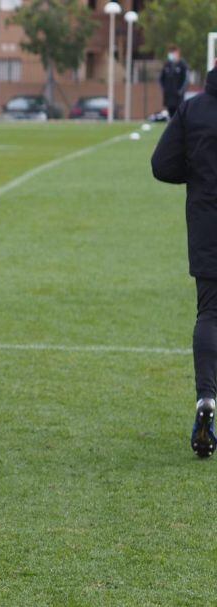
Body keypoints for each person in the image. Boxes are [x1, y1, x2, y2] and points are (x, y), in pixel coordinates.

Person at [151, 63, 217, 459]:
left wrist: (197, 176)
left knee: (209, 312)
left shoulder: (193, 109)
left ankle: (207, 397)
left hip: (207, 221)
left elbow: (162, 164)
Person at [160, 45, 190, 119]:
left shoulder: (182, 65)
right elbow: (161, 78)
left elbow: (186, 79)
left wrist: (181, 91)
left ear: (177, 53)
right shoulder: (167, 65)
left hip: (178, 96)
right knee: (170, 113)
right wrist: (164, 89)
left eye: (173, 53)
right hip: (168, 95)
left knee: (178, 114)